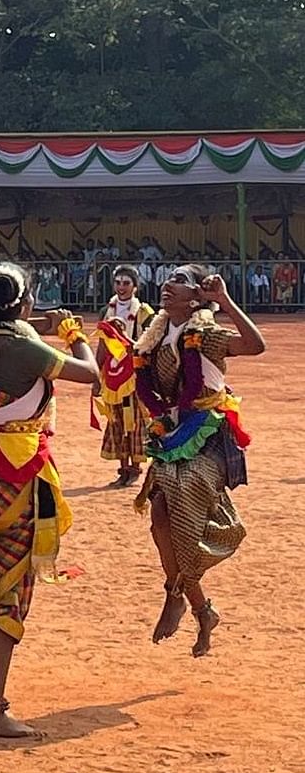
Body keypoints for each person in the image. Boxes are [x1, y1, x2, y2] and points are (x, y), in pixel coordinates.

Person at [0, 263, 98, 738]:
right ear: (25, 302)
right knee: (9, 587)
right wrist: (74, 335)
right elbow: (89, 374)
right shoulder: (26, 348)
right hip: (13, 473)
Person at [134, 265, 265, 657]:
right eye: (167, 280)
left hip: (207, 433)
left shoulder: (205, 334)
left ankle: (177, 594)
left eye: (178, 280)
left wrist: (223, 301)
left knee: (183, 508)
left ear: (195, 297)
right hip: (173, 430)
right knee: (159, 516)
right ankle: (198, 607)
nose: (167, 285)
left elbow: (255, 345)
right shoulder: (154, 338)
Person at [91, 265, 155, 486]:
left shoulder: (144, 313)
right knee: (115, 418)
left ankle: (135, 468)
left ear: (135, 287)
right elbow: (102, 345)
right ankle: (123, 467)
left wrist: (125, 336)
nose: (121, 287)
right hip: (111, 373)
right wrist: (95, 375)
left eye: (126, 283)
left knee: (133, 420)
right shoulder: (105, 311)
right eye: (118, 282)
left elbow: (149, 346)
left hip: (134, 373)